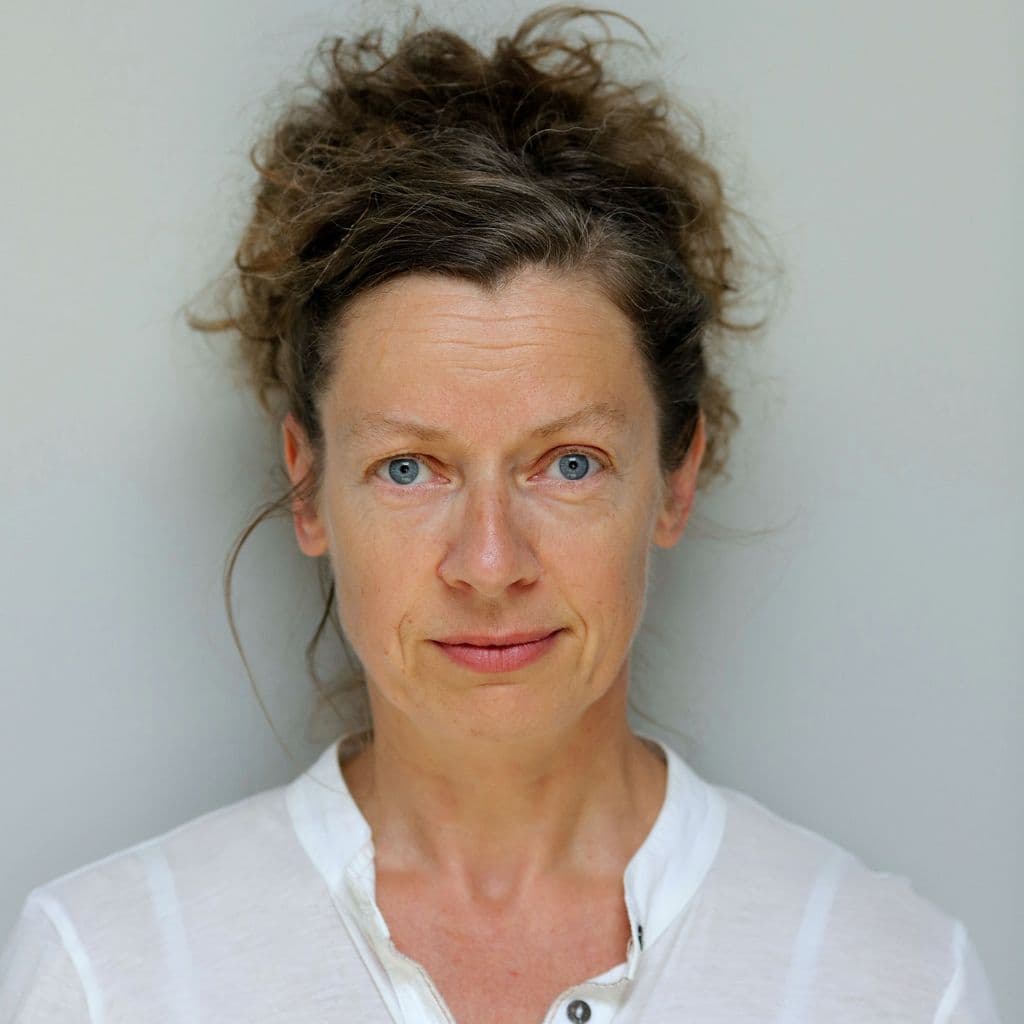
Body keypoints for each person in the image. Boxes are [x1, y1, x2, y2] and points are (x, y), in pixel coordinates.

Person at [0, 5, 1003, 1022]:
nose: (489, 563)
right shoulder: (108, 971)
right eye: (409, 468)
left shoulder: (896, 981)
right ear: (306, 484)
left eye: (568, 463)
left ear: (677, 473)